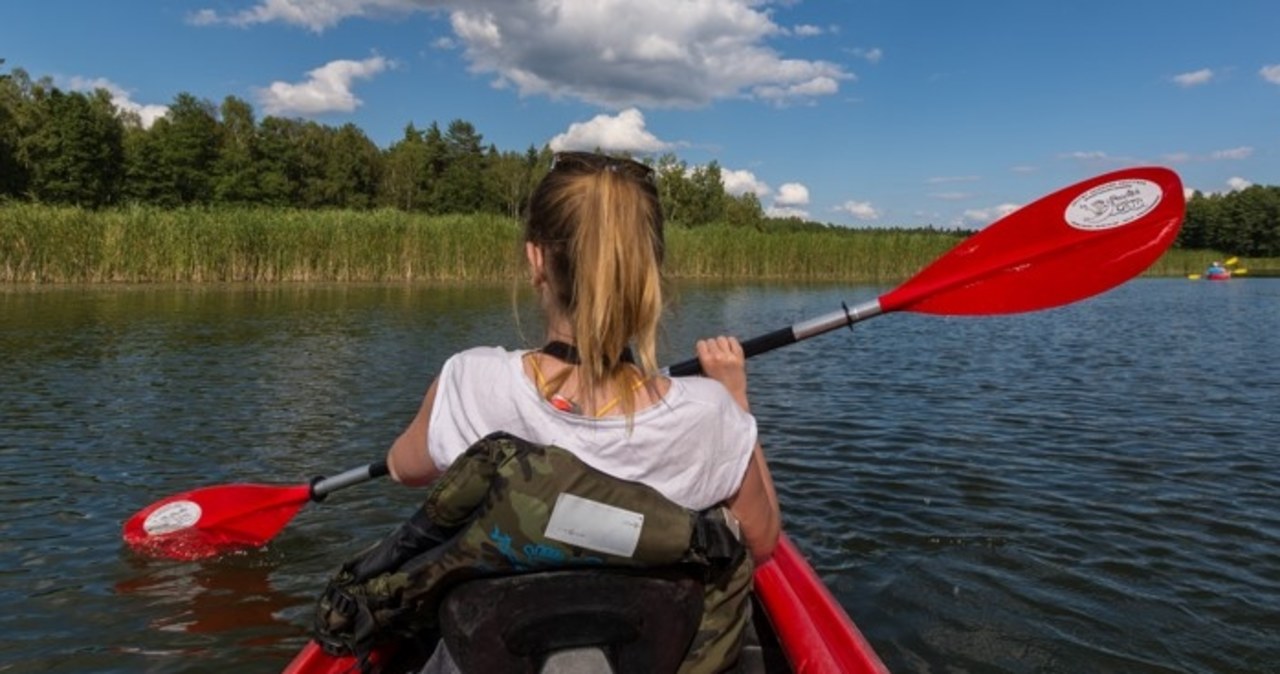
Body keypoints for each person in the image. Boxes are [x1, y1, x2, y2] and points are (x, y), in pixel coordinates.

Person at [385, 149, 780, 567]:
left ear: (536, 259)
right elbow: (762, 541)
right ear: (648, 268)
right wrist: (735, 400)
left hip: (498, 626)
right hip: (643, 627)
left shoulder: (469, 379)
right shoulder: (709, 412)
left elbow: (402, 468)